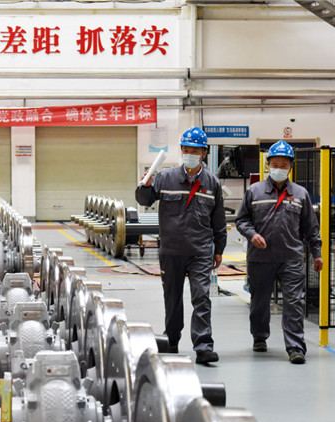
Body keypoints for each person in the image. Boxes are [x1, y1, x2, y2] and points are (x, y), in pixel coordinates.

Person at [136, 126, 227, 365]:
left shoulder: (212, 183)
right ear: (181, 151)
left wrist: (219, 249)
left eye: (195, 150)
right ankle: (172, 340)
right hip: (171, 251)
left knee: (201, 297)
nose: (190, 154)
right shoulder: (165, 178)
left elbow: (218, 220)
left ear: (204, 153)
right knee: (172, 298)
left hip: (200, 251)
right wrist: (145, 184)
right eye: (186, 150)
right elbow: (144, 200)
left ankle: (204, 346)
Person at [236, 140, 322, 364]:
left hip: (291, 257)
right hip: (260, 258)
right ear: (268, 165)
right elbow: (242, 220)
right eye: (275, 164)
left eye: (284, 165)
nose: (279, 168)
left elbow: (311, 227)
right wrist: (252, 235)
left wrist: (317, 253)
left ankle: (295, 347)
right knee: (259, 302)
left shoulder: (301, 194)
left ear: (290, 167)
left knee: (294, 303)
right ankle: (259, 336)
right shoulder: (254, 191)